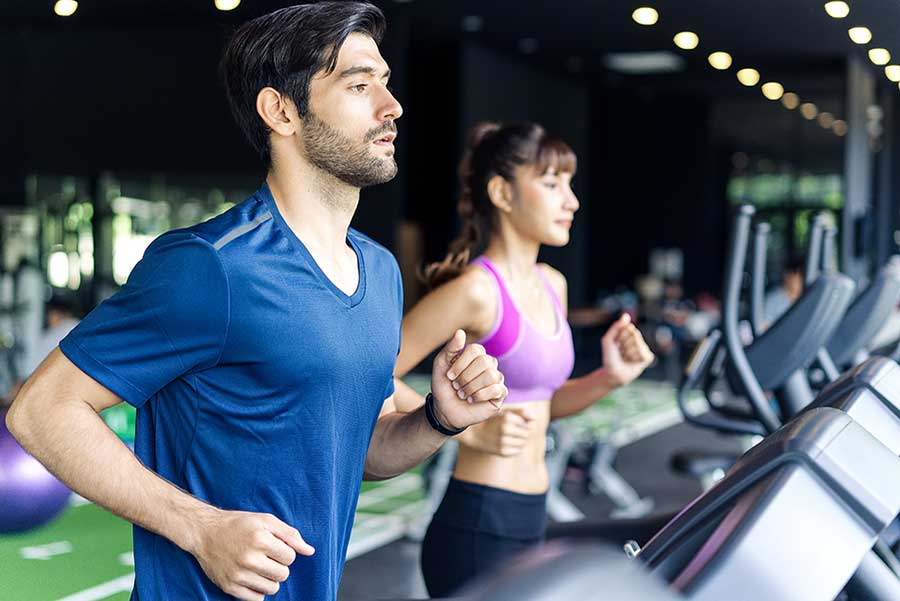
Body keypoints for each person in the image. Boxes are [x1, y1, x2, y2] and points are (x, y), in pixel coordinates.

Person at [5, 4, 507, 601]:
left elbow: (360, 452)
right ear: (282, 111)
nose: (390, 105)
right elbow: (40, 412)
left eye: (386, 82)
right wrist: (201, 528)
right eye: (358, 84)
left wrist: (437, 418)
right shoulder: (210, 264)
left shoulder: (378, 270)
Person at [392, 122, 655, 597]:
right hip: (479, 521)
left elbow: (542, 405)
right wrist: (460, 428)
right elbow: (370, 369)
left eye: (569, 185)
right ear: (502, 193)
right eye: (552, 184)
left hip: (533, 514)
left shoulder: (552, 284)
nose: (571, 200)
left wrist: (610, 378)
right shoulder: (476, 291)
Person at [764, 259, 804, 325]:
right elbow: (764, 327)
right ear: (787, 276)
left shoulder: (806, 298)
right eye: (798, 276)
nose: (800, 281)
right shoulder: (773, 299)